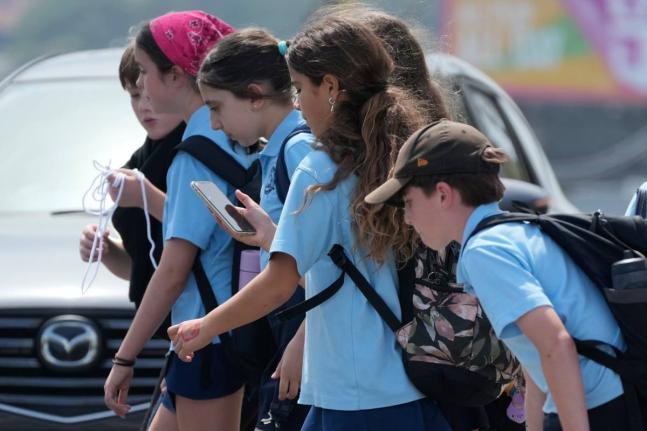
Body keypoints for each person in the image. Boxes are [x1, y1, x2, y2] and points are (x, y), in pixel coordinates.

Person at [168, 15, 451, 431]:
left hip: (353, 394)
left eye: (300, 89)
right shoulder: (390, 155)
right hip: (404, 384)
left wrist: (204, 327)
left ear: (332, 89)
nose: (297, 104)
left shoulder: (321, 168)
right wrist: (272, 237)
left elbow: (280, 283)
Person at [364, 119, 629, 431]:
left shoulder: (485, 252)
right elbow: (534, 360)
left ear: (443, 194)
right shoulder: (512, 231)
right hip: (598, 400)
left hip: (597, 409)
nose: (406, 218)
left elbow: (556, 345)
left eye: (408, 203)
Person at [102, 11, 255, 431]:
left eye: (146, 73)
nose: (142, 87)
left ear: (175, 76)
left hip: (207, 336)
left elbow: (172, 271)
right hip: (215, 333)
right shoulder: (233, 138)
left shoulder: (194, 155)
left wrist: (124, 357)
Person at [196, 28, 314, 430]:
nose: (214, 124)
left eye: (217, 107)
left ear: (255, 95)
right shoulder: (281, 149)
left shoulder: (298, 150)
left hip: (307, 333)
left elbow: (338, 259)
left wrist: (304, 339)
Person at [79, 42, 185, 316]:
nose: (143, 107)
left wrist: (147, 198)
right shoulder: (141, 159)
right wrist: (106, 250)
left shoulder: (201, 151)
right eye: (135, 95)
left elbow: (219, 234)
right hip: (161, 326)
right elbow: (141, 266)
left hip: (201, 326)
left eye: (149, 94)